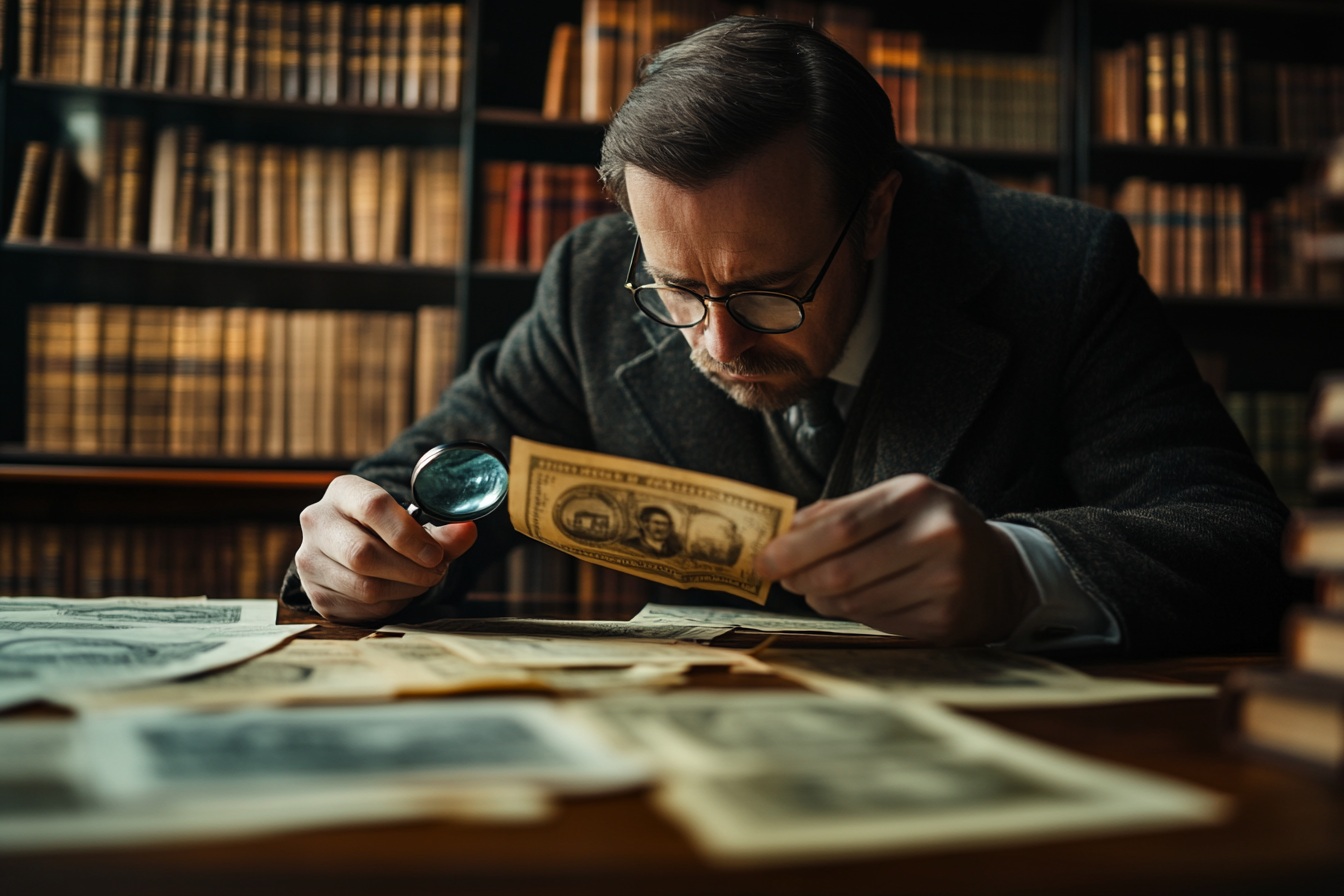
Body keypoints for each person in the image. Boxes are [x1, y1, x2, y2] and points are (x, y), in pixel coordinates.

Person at [286, 16, 1304, 655]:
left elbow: (1244, 544)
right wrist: (356, 550)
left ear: (874, 215)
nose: (719, 343)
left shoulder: (1056, 270)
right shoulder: (597, 283)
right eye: (680, 287)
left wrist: (1017, 571)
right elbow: (428, 472)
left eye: (769, 289)